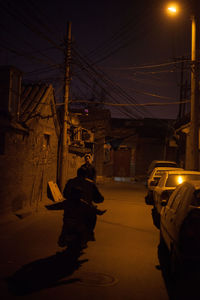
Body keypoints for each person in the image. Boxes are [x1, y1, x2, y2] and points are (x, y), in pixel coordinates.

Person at [58, 167, 106, 249]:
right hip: (86, 210)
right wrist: (99, 200)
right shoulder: (90, 184)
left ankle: (63, 238)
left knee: (66, 219)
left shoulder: (70, 182)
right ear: (86, 174)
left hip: (71, 208)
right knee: (92, 218)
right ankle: (89, 234)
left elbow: (65, 195)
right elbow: (98, 198)